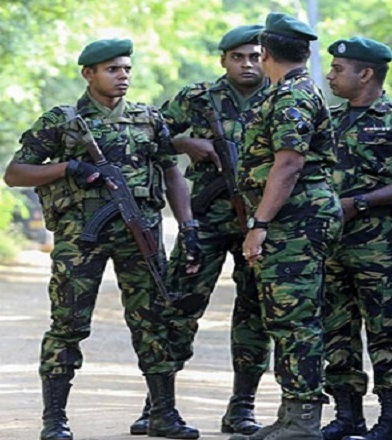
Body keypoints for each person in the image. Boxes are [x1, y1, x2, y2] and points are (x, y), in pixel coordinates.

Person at [4, 38, 202, 440]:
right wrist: (68, 167)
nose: (123, 76)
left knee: (154, 322)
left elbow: (171, 174)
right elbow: (16, 173)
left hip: (140, 233)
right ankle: (54, 420)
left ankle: (163, 413)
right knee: (69, 324)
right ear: (88, 74)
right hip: (82, 237)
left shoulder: (149, 118)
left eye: (127, 69)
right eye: (113, 69)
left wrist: (188, 226)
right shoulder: (63, 120)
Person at [130, 25, 272, 437]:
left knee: (255, 312)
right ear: (223, 60)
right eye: (238, 57)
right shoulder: (197, 98)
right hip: (206, 218)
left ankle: (242, 407)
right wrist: (187, 143)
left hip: (258, 220)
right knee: (177, 306)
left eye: (255, 56)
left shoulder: (279, 97)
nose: (247, 64)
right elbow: (150, 138)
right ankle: (158, 405)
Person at [228, 13, 342, 440]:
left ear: (267, 54)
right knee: (285, 318)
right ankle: (291, 414)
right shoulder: (287, 93)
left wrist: (260, 223)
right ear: (307, 52)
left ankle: (303, 420)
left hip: (295, 219)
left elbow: (289, 163)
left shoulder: (291, 98)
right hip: (296, 217)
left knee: (294, 320)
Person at [321, 37, 392, 440]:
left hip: (378, 245)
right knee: (336, 329)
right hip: (331, 245)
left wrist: (362, 201)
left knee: (388, 331)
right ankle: (347, 417)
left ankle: (389, 423)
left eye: (338, 69)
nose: (330, 76)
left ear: (366, 73)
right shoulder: (330, 119)